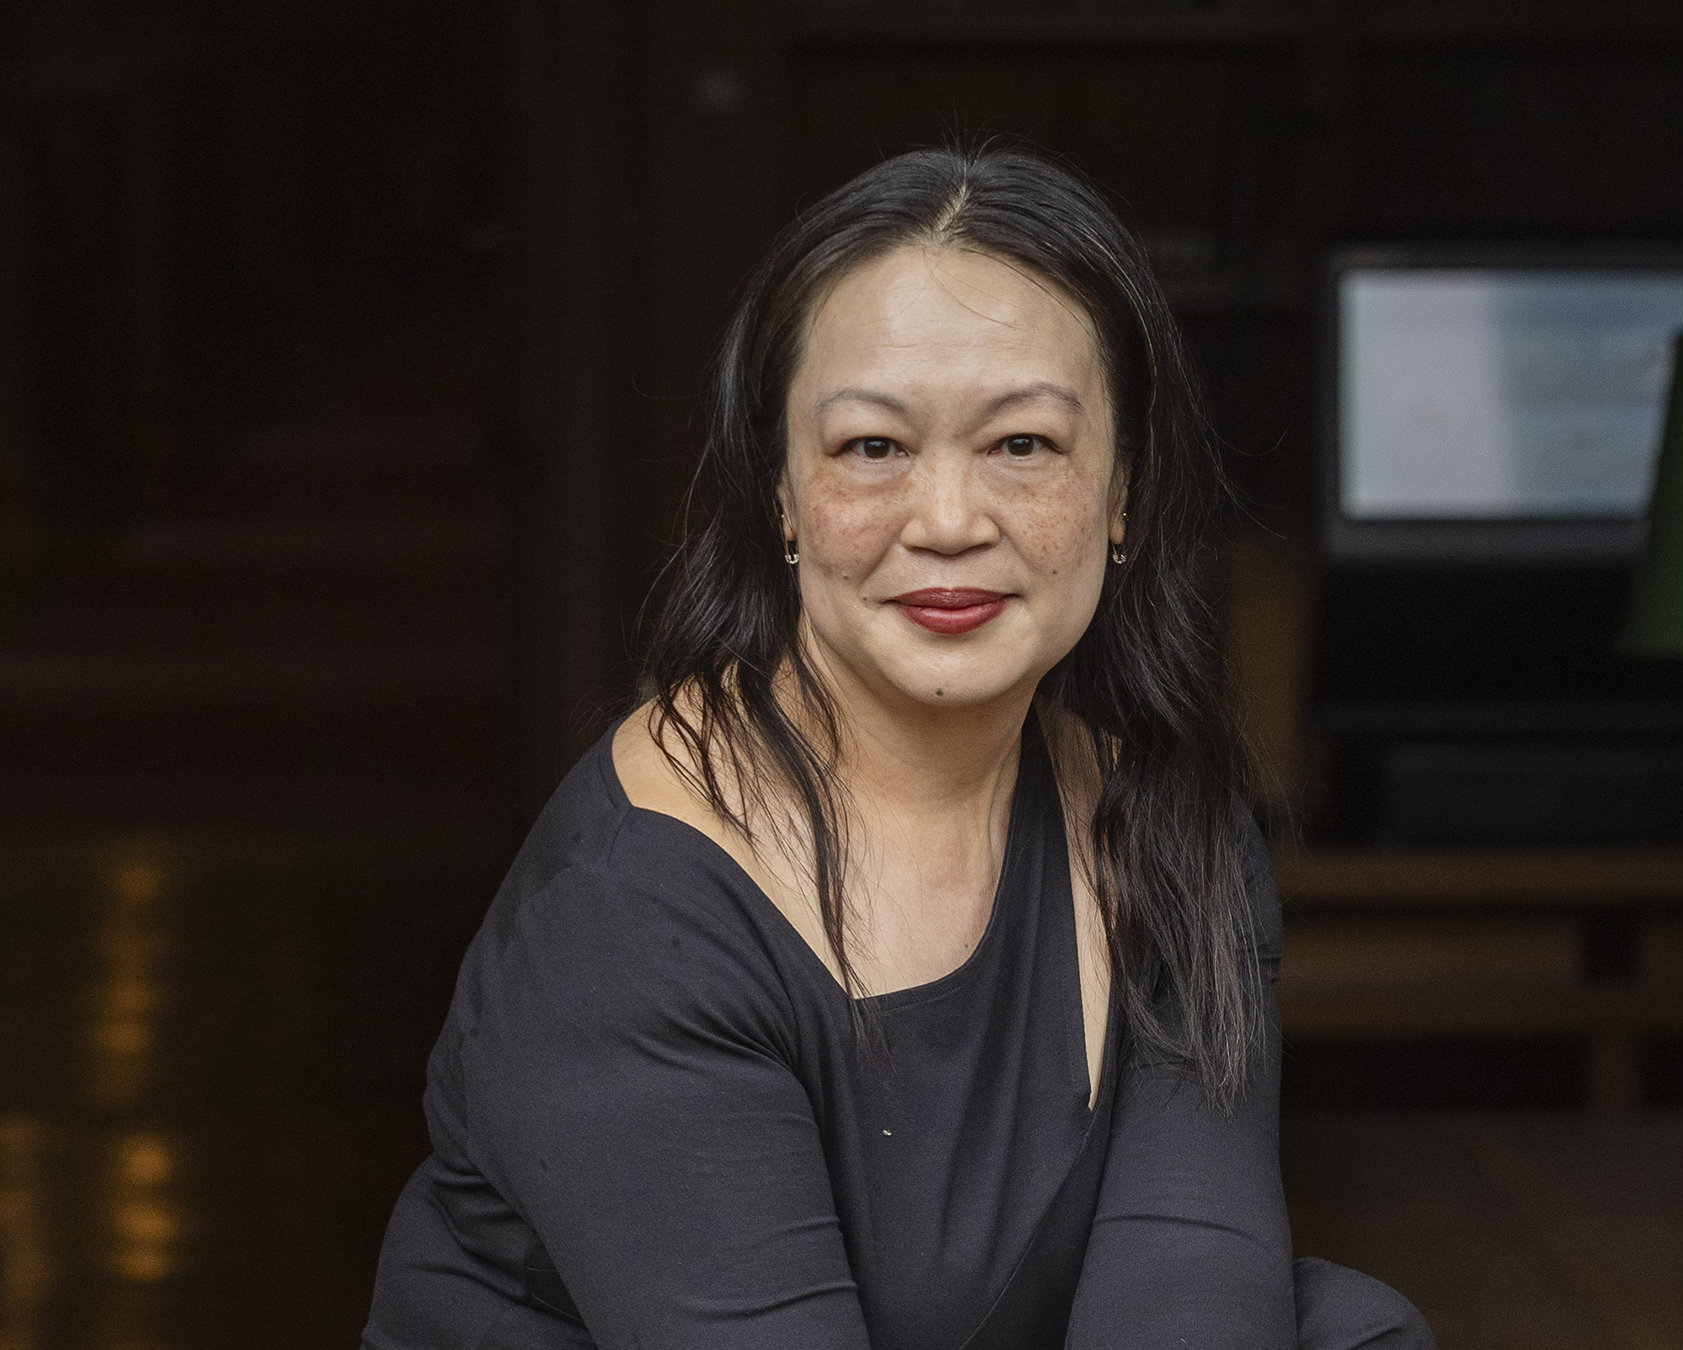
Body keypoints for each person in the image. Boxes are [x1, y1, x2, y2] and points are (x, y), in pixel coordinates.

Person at [361, 144, 1435, 1350]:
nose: (948, 522)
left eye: (1023, 445)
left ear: (1125, 489)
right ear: (781, 493)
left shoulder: (1167, 835)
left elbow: (1187, 1291)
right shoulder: (634, 912)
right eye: (873, 448)